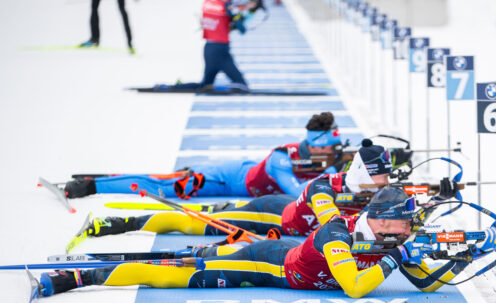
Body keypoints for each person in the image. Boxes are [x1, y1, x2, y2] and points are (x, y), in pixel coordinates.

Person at [39, 186, 496, 299]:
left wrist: (459, 257)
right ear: (384, 222)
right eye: (405, 226)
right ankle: (81, 275)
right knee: (179, 277)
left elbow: (424, 283)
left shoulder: (388, 240)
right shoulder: (340, 235)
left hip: (291, 257)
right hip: (273, 265)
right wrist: (397, 258)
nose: (410, 231)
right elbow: (355, 288)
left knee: (201, 256)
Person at [76, 139, 395, 241]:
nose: (386, 185)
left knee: (211, 211)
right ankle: (115, 216)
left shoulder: (355, 184)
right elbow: (333, 225)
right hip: (263, 208)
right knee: (193, 219)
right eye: (381, 179)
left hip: (278, 201)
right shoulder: (313, 180)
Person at [62, 112, 343, 200]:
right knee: (161, 188)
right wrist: (331, 176)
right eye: (332, 147)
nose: (335, 152)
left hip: (240, 172)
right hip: (227, 180)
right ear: (318, 145)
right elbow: (297, 194)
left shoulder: (315, 157)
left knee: (166, 178)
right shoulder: (281, 159)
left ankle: (103, 177)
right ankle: (91, 186)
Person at [199, 0, 261, 89]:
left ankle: (177, 87)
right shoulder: (228, 4)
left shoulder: (208, 2)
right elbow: (242, 29)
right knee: (241, 84)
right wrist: (239, 17)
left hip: (208, 47)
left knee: (205, 85)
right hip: (220, 49)